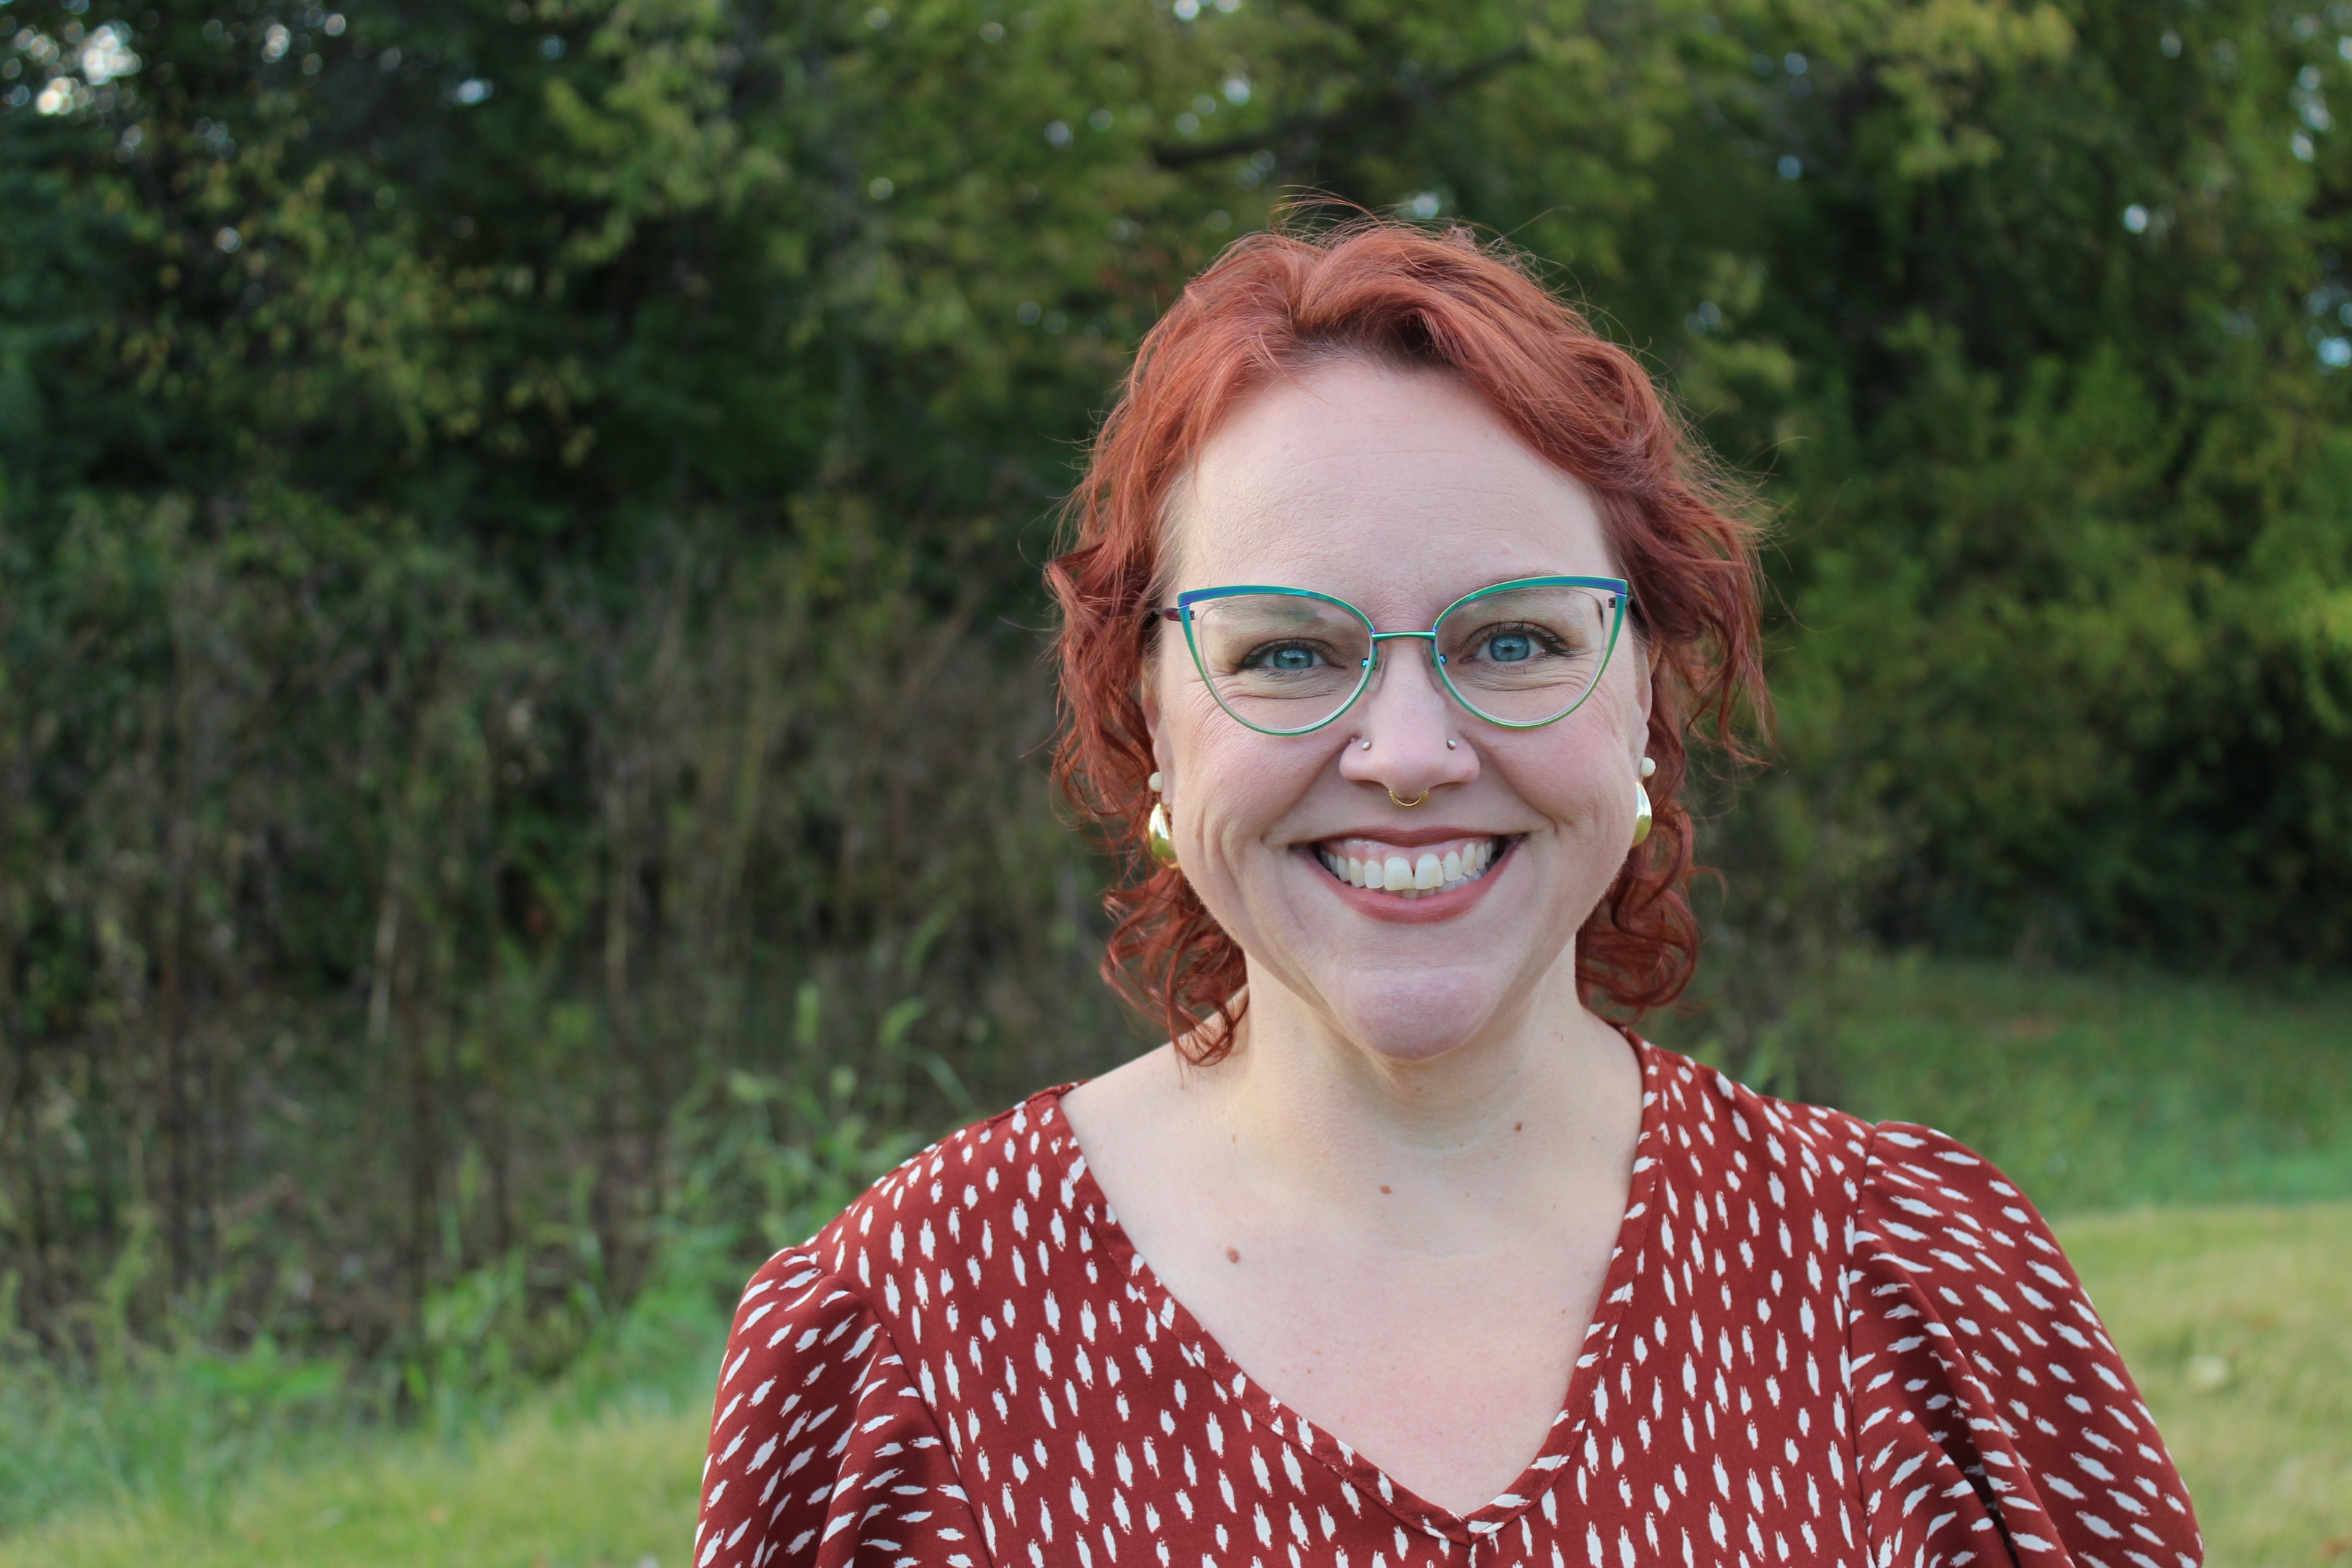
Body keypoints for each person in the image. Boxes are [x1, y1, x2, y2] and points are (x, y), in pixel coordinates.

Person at [693, 222, 2201, 1568]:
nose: (1409, 756)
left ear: (1647, 702)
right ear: (1144, 709)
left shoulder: (1918, 1289)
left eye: (1513, 642)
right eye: (1289, 651)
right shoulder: (906, 1347)